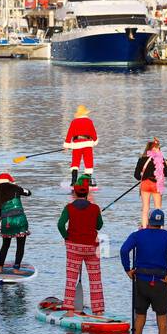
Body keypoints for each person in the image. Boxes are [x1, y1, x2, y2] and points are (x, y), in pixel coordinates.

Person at [119, 208, 167, 334]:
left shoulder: (137, 235)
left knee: (138, 322)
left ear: (149, 220)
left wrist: (127, 269)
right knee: (163, 324)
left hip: (141, 281)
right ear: (162, 223)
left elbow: (124, 250)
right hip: (160, 282)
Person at [57, 176, 105, 315]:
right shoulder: (95, 208)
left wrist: (66, 237)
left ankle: (69, 310)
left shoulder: (69, 207)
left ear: (76, 193)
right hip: (92, 247)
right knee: (95, 279)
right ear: (87, 193)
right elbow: (99, 226)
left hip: (74, 247)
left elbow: (60, 225)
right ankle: (99, 311)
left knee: (71, 278)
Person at [0, 172, 32, 270]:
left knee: (5, 245)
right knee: (20, 246)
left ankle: (0, 268)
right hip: (20, 221)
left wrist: (1, 216)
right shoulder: (16, 189)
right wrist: (17, 186)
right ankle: (16, 268)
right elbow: (28, 193)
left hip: (7, 222)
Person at [134, 138, 167, 228]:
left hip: (145, 184)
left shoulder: (141, 159)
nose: (159, 150)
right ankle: (160, 228)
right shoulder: (161, 159)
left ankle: (143, 227)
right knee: (157, 207)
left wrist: (142, 178)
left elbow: (136, 175)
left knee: (145, 208)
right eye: (158, 148)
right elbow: (166, 174)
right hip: (156, 185)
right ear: (155, 149)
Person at [63, 105, 97, 188]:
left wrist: (67, 145)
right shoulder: (89, 121)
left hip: (76, 144)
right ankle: (87, 181)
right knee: (88, 162)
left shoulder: (74, 122)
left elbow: (69, 133)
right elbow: (93, 133)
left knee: (75, 162)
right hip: (87, 144)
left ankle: (74, 181)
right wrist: (95, 141)